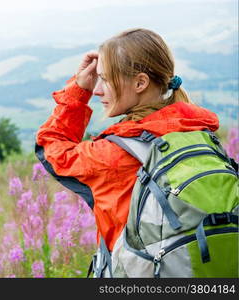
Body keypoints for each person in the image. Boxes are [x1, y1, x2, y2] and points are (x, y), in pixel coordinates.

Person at [35, 28, 219, 255]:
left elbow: (51, 147)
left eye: (104, 79)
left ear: (140, 83)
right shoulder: (200, 131)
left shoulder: (113, 154)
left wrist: (79, 90)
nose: (98, 90)